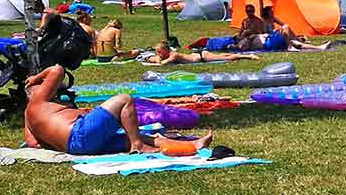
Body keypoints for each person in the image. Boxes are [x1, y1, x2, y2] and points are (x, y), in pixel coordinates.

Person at [22, 64, 209, 156]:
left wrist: (57, 141)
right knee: (124, 100)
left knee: (138, 135)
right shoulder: (38, 99)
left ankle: (193, 146)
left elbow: (33, 144)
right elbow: (57, 70)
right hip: (79, 135)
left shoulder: (28, 116)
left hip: (76, 148)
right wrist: (36, 78)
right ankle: (138, 145)